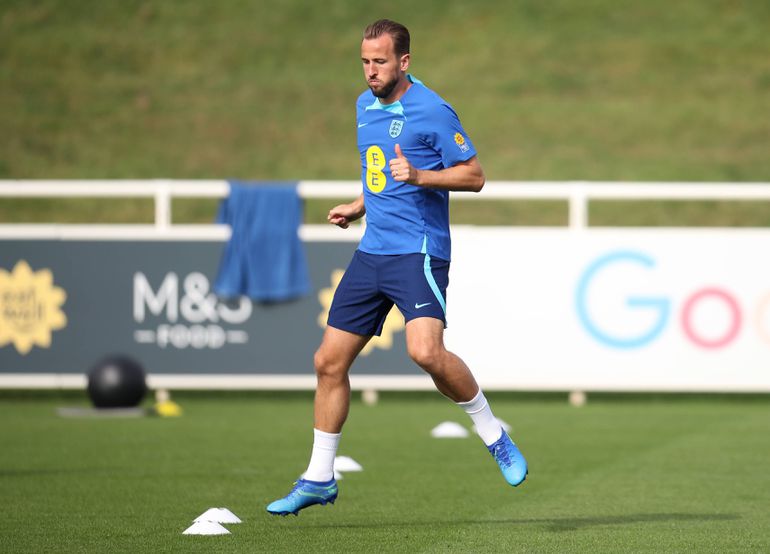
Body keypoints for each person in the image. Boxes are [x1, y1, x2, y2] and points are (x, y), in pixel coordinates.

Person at [267, 19, 527, 516]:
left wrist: (423, 175)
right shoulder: (364, 106)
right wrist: (358, 206)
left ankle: (494, 435)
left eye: (380, 62)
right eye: (365, 62)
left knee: (425, 351)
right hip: (373, 252)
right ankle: (319, 477)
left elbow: (475, 176)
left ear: (403, 61)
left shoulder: (432, 109)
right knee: (328, 362)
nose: (371, 71)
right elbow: (381, 176)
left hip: (419, 251)